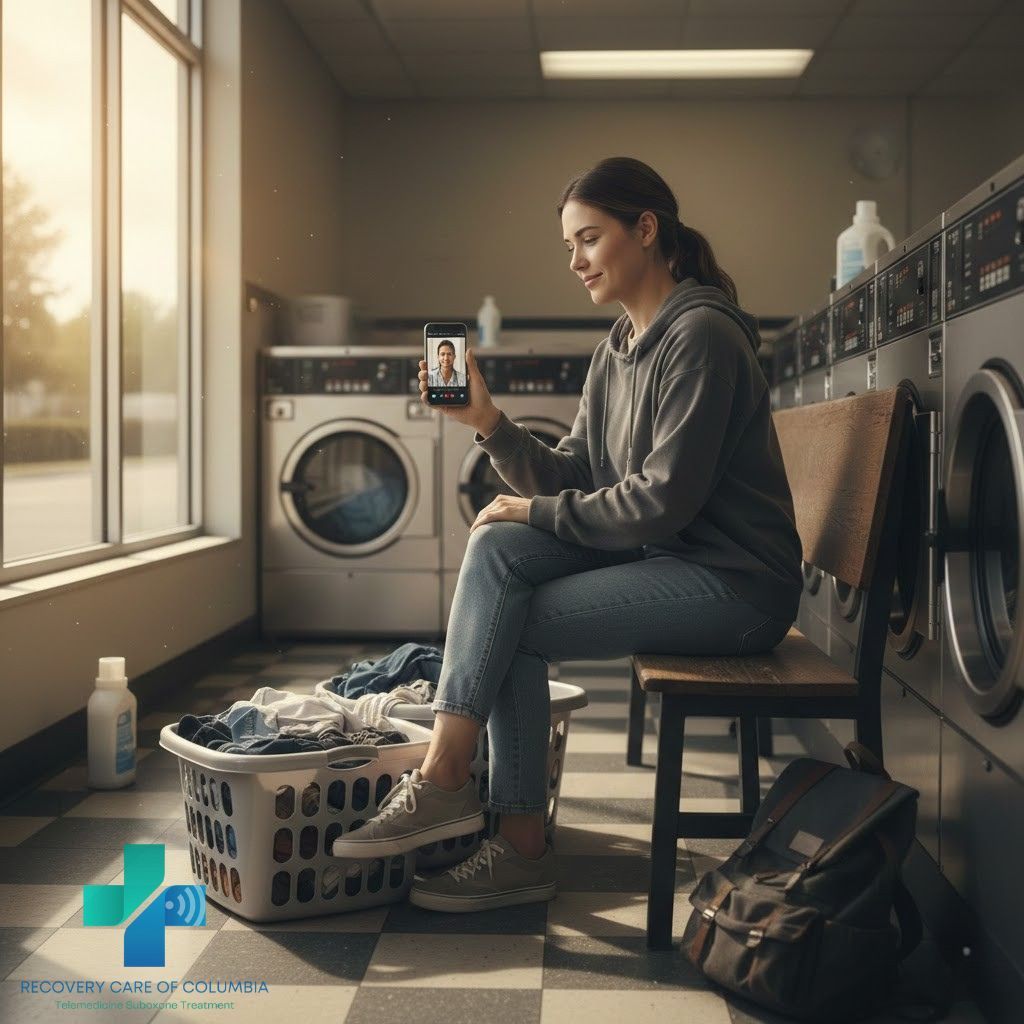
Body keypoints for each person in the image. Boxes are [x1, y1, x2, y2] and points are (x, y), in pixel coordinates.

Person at [331, 156, 804, 914]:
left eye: (588, 239)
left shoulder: (703, 335)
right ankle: (469, 794)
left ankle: (471, 801)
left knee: (508, 607)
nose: (575, 261)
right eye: (569, 246)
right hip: (671, 561)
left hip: (738, 585)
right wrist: (486, 421)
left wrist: (533, 512)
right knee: (498, 552)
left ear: (645, 230)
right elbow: (577, 475)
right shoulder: (616, 349)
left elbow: (662, 503)